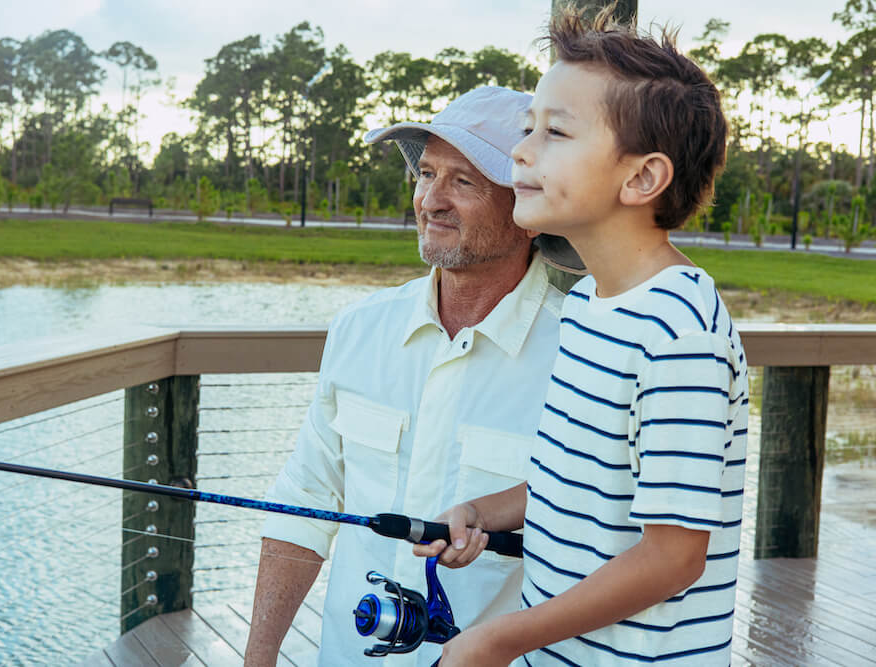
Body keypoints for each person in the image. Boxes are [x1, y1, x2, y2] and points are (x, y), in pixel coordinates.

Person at [415, 8, 750, 666]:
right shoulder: (591, 301)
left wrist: (502, 636)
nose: (520, 152)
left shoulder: (679, 332)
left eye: (556, 132)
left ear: (642, 178)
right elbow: (578, 479)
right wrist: (488, 510)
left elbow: (673, 557)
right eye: (527, 128)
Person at [244, 86, 585, 667]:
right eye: (426, 174)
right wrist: (257, 660)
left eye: (465, 181)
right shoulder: (358, 329)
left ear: (530, 210)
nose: (432, 200)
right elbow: (303, 504)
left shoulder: (583, 357)